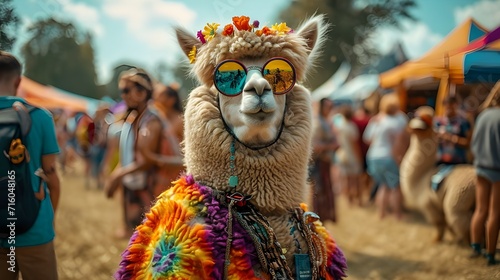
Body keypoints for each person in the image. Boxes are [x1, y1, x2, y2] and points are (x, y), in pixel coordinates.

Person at [0, 51, 60, 279]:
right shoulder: (41, 117)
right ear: (18, 80)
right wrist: (50, 219)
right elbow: (51, 175)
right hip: (33, 225)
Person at [104, 68, 182, 237]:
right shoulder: (134, 118)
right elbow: (130, 156)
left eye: (127, 90)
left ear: (142, 92)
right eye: (122, 91)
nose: (124, 95)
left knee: (150, 240)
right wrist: (118, 173)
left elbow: (146, 161)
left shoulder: (151, 121)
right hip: (135, 185)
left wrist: (118, 176)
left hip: (150, 188)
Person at [469, 82, 500, 266]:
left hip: (481, 168)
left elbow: (473, 143)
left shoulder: (483, 115)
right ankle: (490, 254)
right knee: (495, 213)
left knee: (480, 210)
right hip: (497, 170)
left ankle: (475, 247)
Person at [364, 94, 408, 219]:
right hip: (388, 156)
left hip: (373, 156)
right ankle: (397, 214)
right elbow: (401, 141)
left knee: (383, 184)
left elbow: (367, 139)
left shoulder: (377, 119)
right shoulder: (400, 119)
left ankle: (381, 213)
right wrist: (399, 157)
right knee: (395, 186)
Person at [311, 98, 338, 222]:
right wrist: (332, 145)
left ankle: (323, 219)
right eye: (328, 107)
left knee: (324, 191)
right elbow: (315, 147)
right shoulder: (318, 123)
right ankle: (318, 220)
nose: (330, 109)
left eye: (331, 106)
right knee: (320, 192)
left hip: (324, 162)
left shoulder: (325, 122)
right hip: (319, 163)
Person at [335, 105, 363, 206]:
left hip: (342, 154)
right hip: (351, 155)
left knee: (346, 179)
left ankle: (349, 200)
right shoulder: (351, 127)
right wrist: (359, 157)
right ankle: (359, 200)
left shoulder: (340, 126)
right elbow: (354, 144)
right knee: (356, 179)